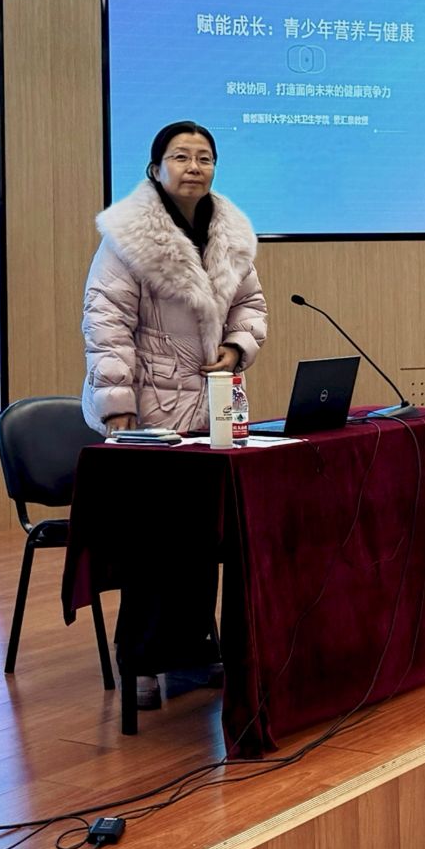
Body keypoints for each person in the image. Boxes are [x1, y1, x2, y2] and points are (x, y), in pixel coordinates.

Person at [81, 120, 267, 710]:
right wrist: (119, 414)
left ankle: (189, 653)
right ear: (155, 167)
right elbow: (106, 326)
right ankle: (138, 661)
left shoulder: (230, 234)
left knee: (202, 539)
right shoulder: (127, 238)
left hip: (212, 412)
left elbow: (251, 305)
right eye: (180, 156)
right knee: (152, 545)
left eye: (204, 157)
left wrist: (236, 348)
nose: (194, 167)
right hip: (149, 418)